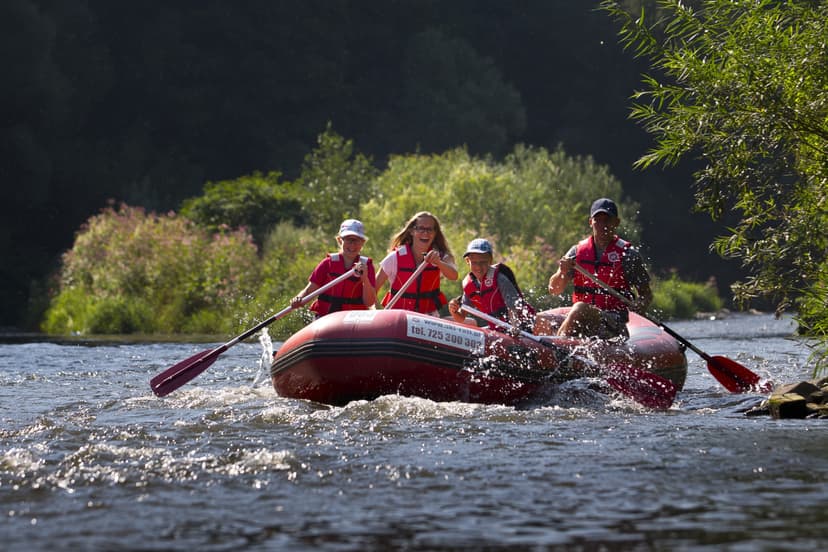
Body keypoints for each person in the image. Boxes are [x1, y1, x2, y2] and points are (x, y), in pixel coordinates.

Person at [536, 198, 652, 339]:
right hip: (582, 316)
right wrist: (562, 271)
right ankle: (543, 352)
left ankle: (557, 346)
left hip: (612, 322)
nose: (602, 225)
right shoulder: (576, 252)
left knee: (579, 308)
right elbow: (554, 289)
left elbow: (646, 294)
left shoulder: (628, 256)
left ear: (616, 223)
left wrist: (640, 304)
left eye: (607, 220)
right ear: (591, 222)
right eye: (598, 220)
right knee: (541, 319)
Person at [375, 211, 458, 316]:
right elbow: (373, 288)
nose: (425, 233)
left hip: (428, 317)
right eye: (421, 228)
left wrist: (439, 263)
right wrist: (375, 312)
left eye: (429, 229)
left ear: (435, 233)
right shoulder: (394, 258)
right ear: (411, 231)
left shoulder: (441, 257)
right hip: (398, 317)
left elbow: (454, 276)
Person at [291, 219, 377, 318]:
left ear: (362, 243)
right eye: (349, 240)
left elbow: (369, 302)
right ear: (340, 240)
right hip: (325, 318)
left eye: (356, 240)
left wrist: (365, 279)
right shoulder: (327, 264)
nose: (352, 245)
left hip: (352, 320)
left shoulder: (367, 266)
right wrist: (299, 298)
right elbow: (309, 290)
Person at [448, 238, 536, 331]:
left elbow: (514, 308)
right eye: (474, 262)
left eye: (483, 262)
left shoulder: (500, 279)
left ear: (490, 260)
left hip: (522, 327)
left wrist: (514, 328)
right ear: (467, 261)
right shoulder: (469, 285)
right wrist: (453, 311)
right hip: (499, 329)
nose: (478, 267)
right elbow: (461, 318)